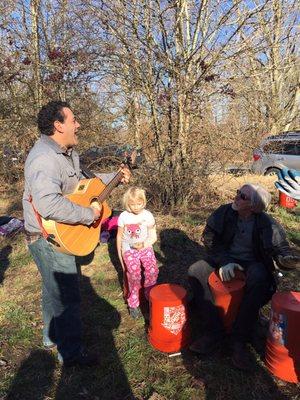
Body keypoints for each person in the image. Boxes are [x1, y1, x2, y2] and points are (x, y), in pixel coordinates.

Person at [23, 100, 131, 367]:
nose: (78, 124)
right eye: (73, 120)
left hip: (57, 234)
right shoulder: (44, 159)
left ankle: (51, 337)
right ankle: (71, 353)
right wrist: (88, 215)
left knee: (53, 288)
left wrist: (115, 177)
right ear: (58, 125)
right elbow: (48, 204)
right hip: (48, 236)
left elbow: (83, 186)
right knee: (67, 294)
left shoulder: (66, 151)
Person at [188, 183, 300, 371]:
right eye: (238, 192)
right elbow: (209, 238)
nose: (236, 196)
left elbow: (281, 249)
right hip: (224, 259)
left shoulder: (267, 223)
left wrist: (285, 260)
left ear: (255, 206)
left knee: (259, 277)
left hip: (251, 264)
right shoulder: (224, 212)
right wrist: (224, 260)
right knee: (196, 270)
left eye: (243, 196)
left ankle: (238, 340)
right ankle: (214, 332)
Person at [116, 187, 159, 319]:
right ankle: (133, 303)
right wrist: (121, 257)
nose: (136, 207)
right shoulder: (123, 217)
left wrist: (145, 244)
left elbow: (153, 236)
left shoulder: (148, 216)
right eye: (132, 204)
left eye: (139, 203)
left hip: (145, 247)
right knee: (134, 276)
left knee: (152, 270)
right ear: (127, 203)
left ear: (144, 202)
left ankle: (149, 294)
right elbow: (119, 237)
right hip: (129, 250)